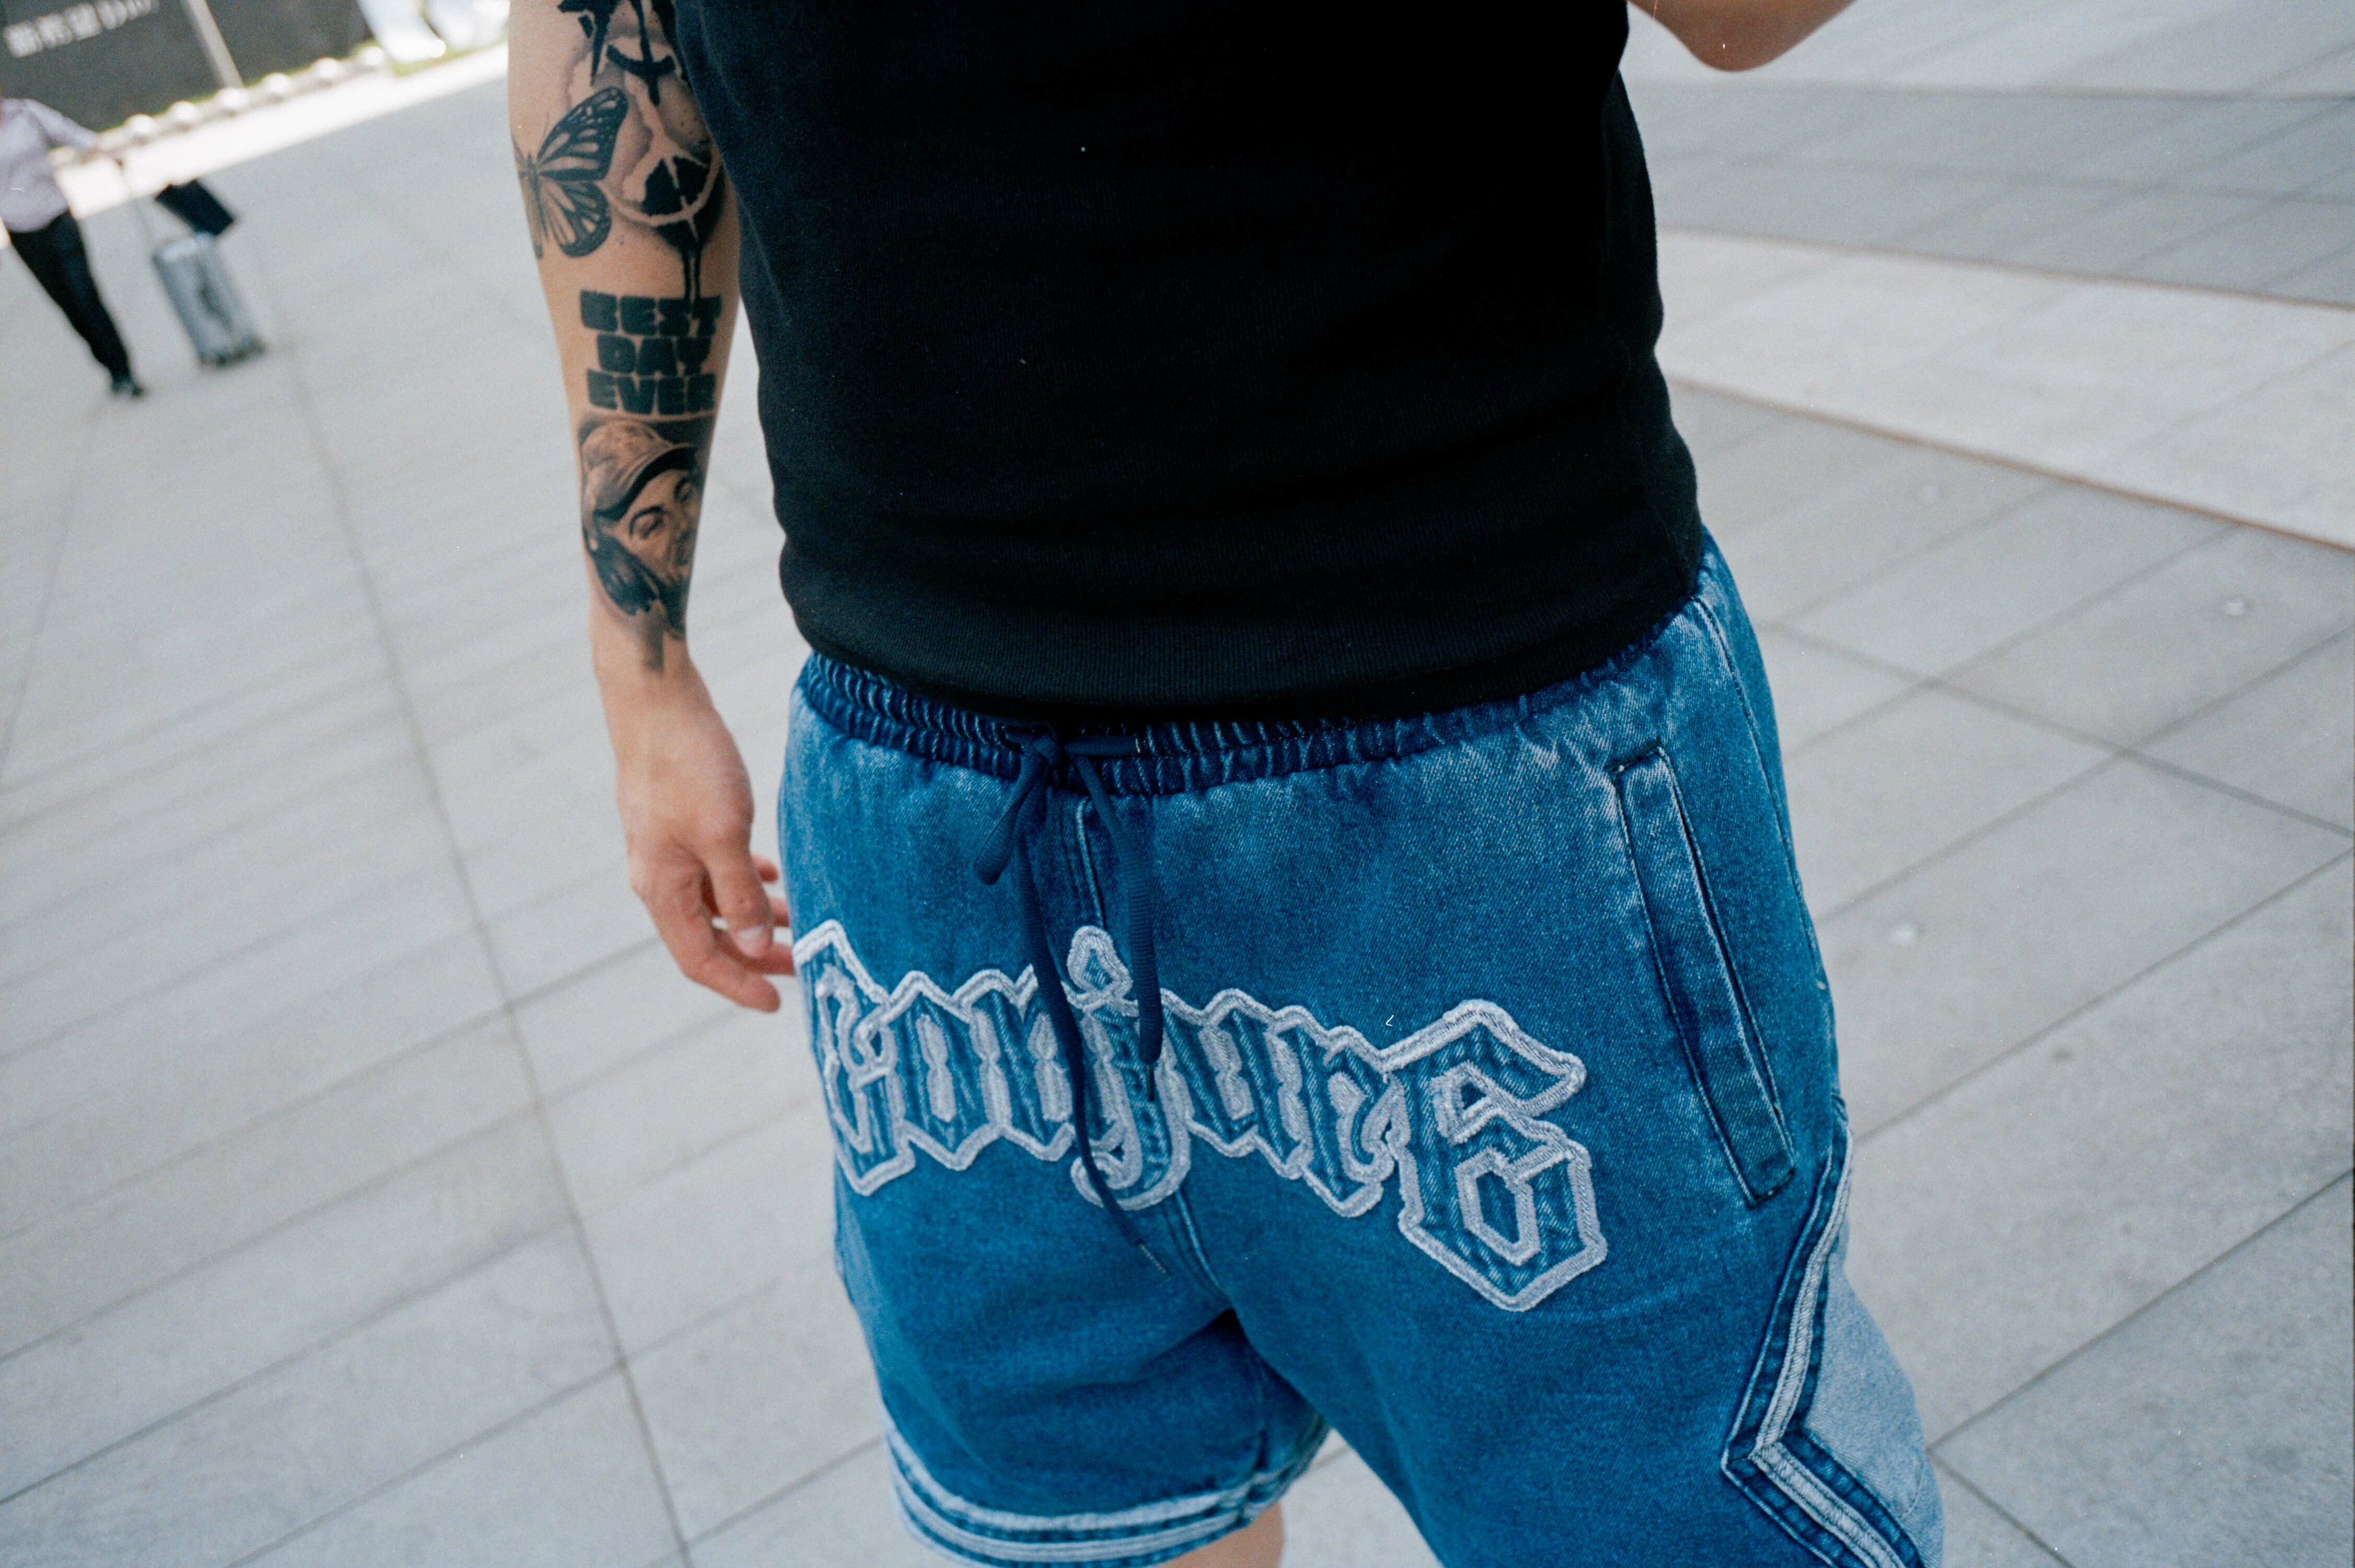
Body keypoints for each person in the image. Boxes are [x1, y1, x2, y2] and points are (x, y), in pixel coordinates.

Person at [512, 2, 1944, 1564]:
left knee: (1654, 1524)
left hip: (1469, 746)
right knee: (1097, 1522)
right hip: (921, 797)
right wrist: (635, 659)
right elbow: (606, 39)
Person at [1, 97, 141, 397]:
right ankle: (108, 364)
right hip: (22, 229)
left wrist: (107, 151)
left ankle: (124, 370)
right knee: (69, 305)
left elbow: (70, 133)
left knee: (85, 294)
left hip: (57, 215)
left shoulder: (25, 114)